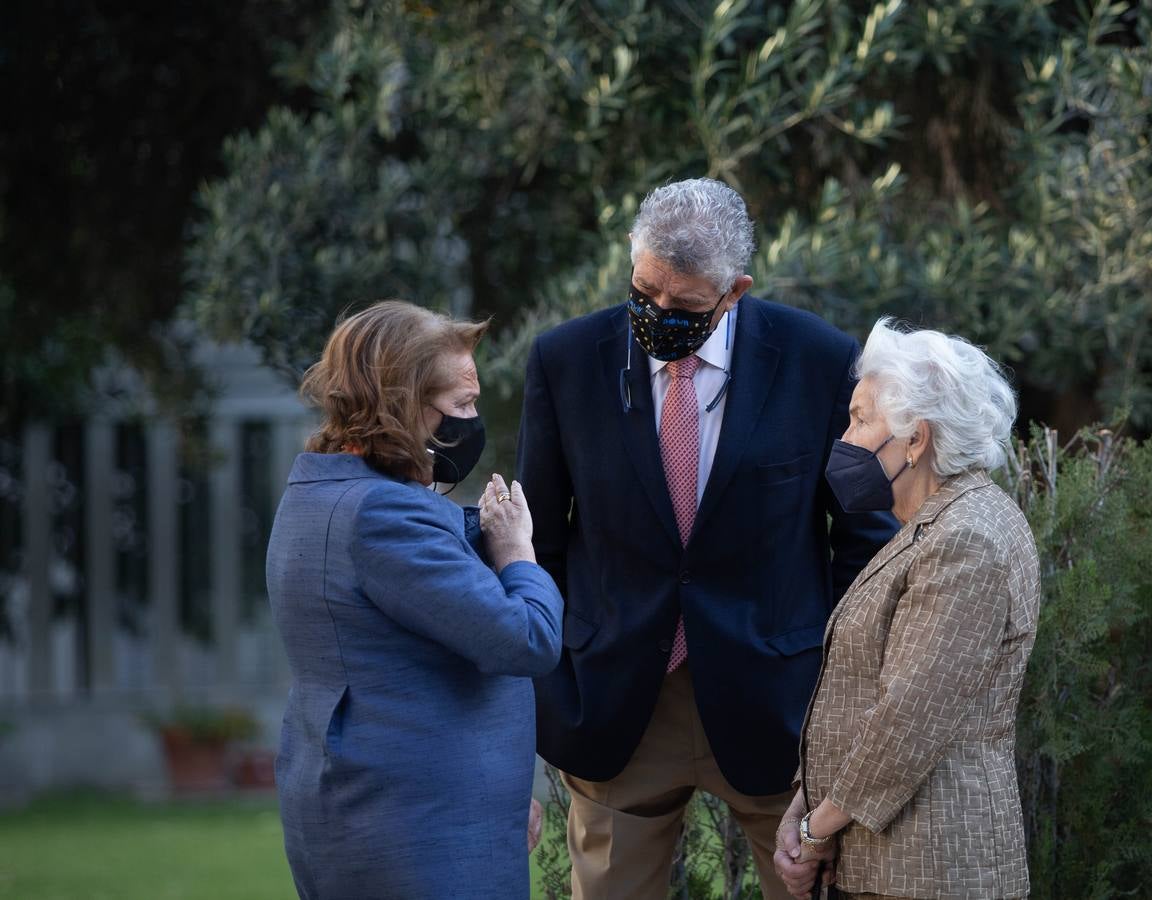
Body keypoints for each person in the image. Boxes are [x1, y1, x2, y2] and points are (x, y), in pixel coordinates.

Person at [517, 178, 896, 899]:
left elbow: (863, 539)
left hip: (779, 699)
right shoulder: (566, 361)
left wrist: (842, 685)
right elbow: (537, 544)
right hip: (616, 700)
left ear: (735, 291)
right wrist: (552, 677)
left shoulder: (818, 358)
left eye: (684, 305)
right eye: (644, 291)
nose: (658, 314)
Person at [267, 300, 563, 900]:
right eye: (461, 406)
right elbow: (525, 639)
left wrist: (499, 795)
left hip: (383, 808)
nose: (472, 420)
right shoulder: (382, 514)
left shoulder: (315, 491)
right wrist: (515, 552)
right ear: (401, 403)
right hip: (415, 828)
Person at [772, 321, 1041, 900]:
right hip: (889, 861)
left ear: (915, 440)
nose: (844, 438)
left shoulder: (966, 538)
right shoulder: (930, 525)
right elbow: (862, 694)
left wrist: (813, 832)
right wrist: (806, 801)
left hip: (928, 867)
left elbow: (908, 719)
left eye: (861, 419)